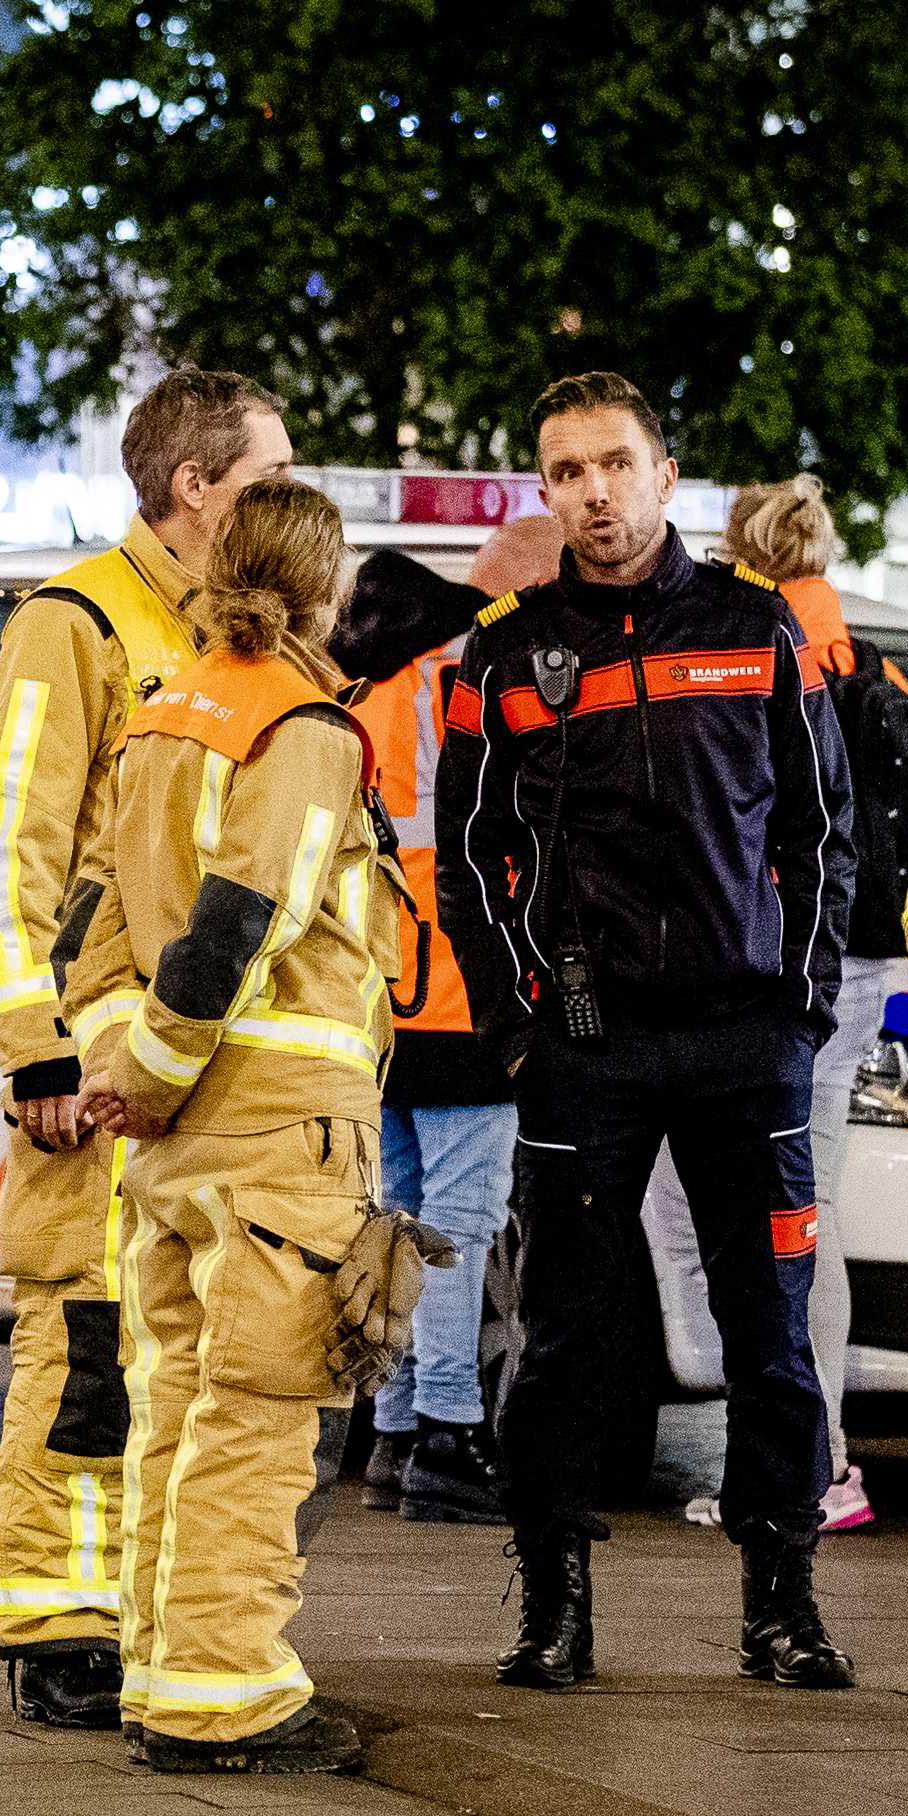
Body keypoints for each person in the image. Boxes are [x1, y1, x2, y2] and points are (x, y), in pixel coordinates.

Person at [438, 372, 854, 1692]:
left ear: (669, 477)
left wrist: (802, 999)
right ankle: (552, 1602)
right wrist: (517, 1027)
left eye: (615, 462)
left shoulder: (758, 627)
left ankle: (781, 1601)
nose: (594, 491)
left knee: (771, 1338)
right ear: (545, 490)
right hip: (584, 1045)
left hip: (745, 1042)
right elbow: (467, 854)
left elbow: (821, 833)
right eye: (566, 471)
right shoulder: (506, 652)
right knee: (564, 1336)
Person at [0, 366, 289, 1731]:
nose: (287, 497)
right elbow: (10, 845)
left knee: (172, 1342)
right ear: (194, 485)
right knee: (82, 1331)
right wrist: (34, 1048)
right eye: (267, 475)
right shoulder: (79, 620)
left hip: (190, 1054)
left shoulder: (237, 633)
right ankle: (56, 1613)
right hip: (93, 1052)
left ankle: (139, 1606)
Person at [73, 478, 397, 1772]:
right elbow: (242, 923)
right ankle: (228, 1690)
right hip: (277, 1129)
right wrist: (157, 1066)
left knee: (175, 1404)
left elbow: (88, 924)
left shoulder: (164, 714)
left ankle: (159, 1666)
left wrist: (123, 1068)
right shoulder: (304, 726)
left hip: (171, 1144)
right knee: (260, 1417)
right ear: (324, 590)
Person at [632, 479, 908, 1534]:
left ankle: (804, 1466)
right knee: (796, 1214)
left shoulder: (759, 650)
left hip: (782, 978)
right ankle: (802, 1458)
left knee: (772, 1218)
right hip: (853, 971)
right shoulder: (860, 655)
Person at [350, 521, 543, 1528]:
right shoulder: (477, 672)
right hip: (463, 989)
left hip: (382, 994)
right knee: (461, 1224)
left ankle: (391, 1430)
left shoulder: (388, 670)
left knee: (397, 1213)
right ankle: (450, 1433)